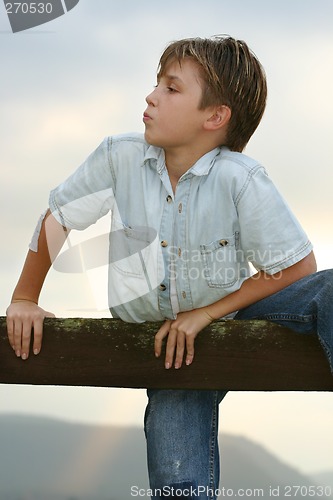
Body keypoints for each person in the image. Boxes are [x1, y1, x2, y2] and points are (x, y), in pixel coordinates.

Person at [6, 36, 333, 499]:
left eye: (172, 89)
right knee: (180, 484)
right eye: (156, 84)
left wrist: (207, 314)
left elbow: (299, 268)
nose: (151, 96)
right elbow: (58, 219)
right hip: (172, 350)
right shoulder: (119, 157)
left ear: (215, 117)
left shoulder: (241, 178)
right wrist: (24, 298)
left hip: (232, 319)